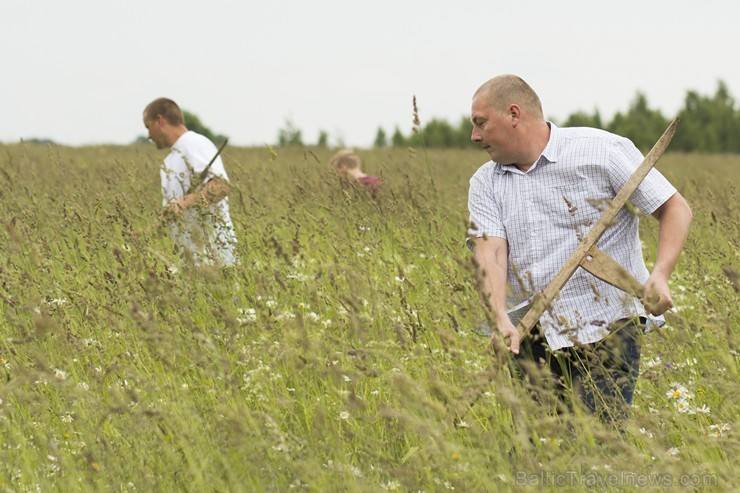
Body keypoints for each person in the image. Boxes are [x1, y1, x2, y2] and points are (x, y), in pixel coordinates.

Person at [467, 75, 692, 424]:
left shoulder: (600, 150)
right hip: (530, 332)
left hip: (608, 326)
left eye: (481, 123)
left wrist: (660, 274)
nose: (475, 136)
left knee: (601, 446)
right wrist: (499, 319)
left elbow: (674, 209)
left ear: (514, 114)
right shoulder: (485, 182)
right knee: (541, 448)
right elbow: (490, 253)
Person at [143, 98, 238, 267]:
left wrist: (183, 203)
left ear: (159, 120)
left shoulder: (195, 143)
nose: (149, 135)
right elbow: (172, 213)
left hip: (216, 259)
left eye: (148, 127)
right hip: (190, 264)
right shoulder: (168, 162)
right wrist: (147, 234)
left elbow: (221, 186)